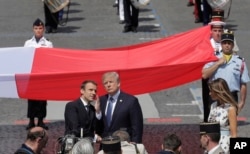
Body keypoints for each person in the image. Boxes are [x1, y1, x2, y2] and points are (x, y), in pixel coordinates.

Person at [202, 30, 250, 112]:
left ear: (233, 45)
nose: (227, 45)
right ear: (221, 44)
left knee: (231, 123)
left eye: (229, 43)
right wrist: (217, 64)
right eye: (224, 43)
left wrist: (242, 102)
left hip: (232, 96)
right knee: (215, 123)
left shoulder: (240, 62)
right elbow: (204, 75)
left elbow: (243, 83)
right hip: (216, 96)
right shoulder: (214, 58)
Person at [95, 71, 143, 143]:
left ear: (118, 83)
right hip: (106, 145)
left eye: (111, 82)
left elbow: (137, 127)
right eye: (105, 83)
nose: (108, 85)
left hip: (124, 145)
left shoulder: (130, 101)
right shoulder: (101, 101)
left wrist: (135, 145)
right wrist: (98, 112)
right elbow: (99, 127)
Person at [24, 18, 53, 130]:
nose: (38, 31)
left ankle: (41, 120)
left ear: (43, 29)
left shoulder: (48, 43)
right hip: (31, 74)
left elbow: (50, 58)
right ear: (33, 29)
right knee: (31, 98)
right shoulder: (28, 43)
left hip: (42, 74)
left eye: (40, 28)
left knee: (42, 99)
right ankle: (31, 120)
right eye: (36, 28)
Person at [202, 9, 225, 122]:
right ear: (211, 31)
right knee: (209, 105)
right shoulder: (207, 42)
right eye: (215, 30)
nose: (217, 33)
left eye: (220, 30)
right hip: (210, 80)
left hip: (223, 80)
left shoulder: (228, 41)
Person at [207, 78, 238, 153]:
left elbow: (234, 134)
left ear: (218, 92)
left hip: (224, 144)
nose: (209, 93)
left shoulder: (230, 109)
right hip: (211, 143)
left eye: (211, 91)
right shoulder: (213, 105)